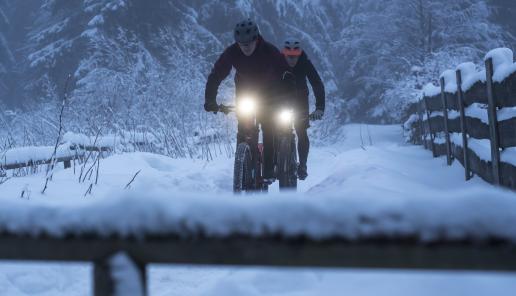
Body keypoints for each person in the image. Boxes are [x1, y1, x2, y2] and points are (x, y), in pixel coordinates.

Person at [204, 19, 289, 182]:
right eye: (242, 45)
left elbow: (286, 74)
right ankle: (242, 168)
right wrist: (210, 100)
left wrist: (285, 97)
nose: (245, 48)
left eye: (249, 44)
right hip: (246, 91)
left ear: (256, 39)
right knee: (244, 128)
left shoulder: (270, 51)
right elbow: (216, 75)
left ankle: (269, 168)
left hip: (269, 92)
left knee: (268, 125)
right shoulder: (232, 52)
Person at [281, 38, 325, 180]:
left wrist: (319, 108)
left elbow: (317, 83)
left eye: (295, 57)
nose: (292, 60)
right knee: (272, 126)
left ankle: (303, 165)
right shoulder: (277, 62)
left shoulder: (305, 63)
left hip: (300, 100)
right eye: (289, 57)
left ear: (299, 55)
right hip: (280, 99)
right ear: (284, 54)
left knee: (301, 130)